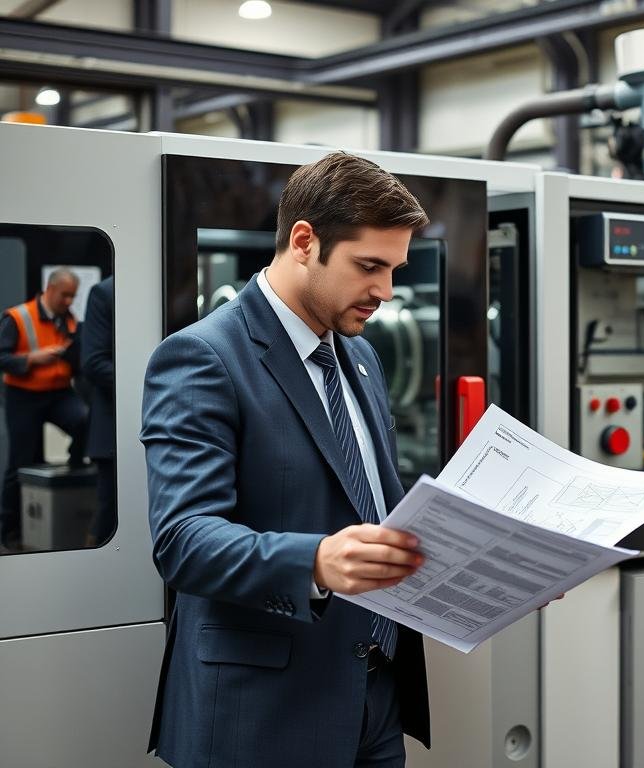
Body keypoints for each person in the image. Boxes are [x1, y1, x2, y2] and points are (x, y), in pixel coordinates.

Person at [141, 151, 431, 768]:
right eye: (369, 266)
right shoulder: (202, 358)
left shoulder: (360, 358)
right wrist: (317, 561)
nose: (385, 291)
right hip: (263, 714)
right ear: (304, 241)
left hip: (372, 697)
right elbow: (183, 540)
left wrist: (502, 568)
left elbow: (378, 511)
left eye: (395, 269)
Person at [0, 267, 88, 550]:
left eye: (72, 296)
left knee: (85, 421)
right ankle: (9, 530)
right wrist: (31, 359)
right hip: (23, 396)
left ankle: (75, 471)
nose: (68, 301)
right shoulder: (17, 317)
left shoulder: (70, 320)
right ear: (49, 289)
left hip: (59, 393)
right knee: (20, 462)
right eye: (64, 295)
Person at [81, 275, 115, 546]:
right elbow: (93, 362)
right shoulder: (104, 293)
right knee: (108, 511)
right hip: (113, 423)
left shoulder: (170, 283)